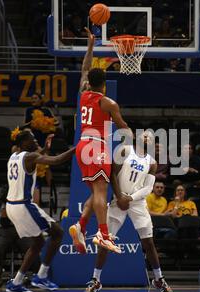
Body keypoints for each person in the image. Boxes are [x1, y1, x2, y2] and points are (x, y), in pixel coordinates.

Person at [82, 131, 173, 292]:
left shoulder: (152, 163)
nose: (147, 137)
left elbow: (147, 188)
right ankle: (95, 280)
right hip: (119, 200)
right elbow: (112, 174)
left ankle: (159, 279)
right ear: (139, 138)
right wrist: (119, 197)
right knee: (105, 240)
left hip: (137, 202)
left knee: (148, 242)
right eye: (145, 135)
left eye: (150, 137)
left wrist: (129, 198)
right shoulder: (125, 150)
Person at [69, 27, 131, 255]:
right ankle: (104, 235)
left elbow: (85, 69)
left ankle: (80, 226)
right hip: (97, 147)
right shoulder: (108, 103)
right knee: (101, 195)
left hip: (83, 146)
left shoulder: (83, 92)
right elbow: (122, 126)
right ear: (104, 83)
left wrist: (90, 46)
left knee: (95, 193)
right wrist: (133, 141)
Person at [5, 130, 75, 292]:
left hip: (11, 205)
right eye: (33, 139)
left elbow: (33, 157)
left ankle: (16, 282)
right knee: (57, 233)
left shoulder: (14, 156)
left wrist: (43, 148)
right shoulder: (30, 157)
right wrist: (77, 148)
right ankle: (41, 276)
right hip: (24, 205)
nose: (36, 141)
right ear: (24, 142)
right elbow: (56, 160)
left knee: (38, 243)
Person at [0, 204, 39, 288]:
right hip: (6, 231)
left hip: (23, 230)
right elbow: (4, 222)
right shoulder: (7, 201)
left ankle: (36, 276)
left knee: (33, 248)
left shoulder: (25, 201)